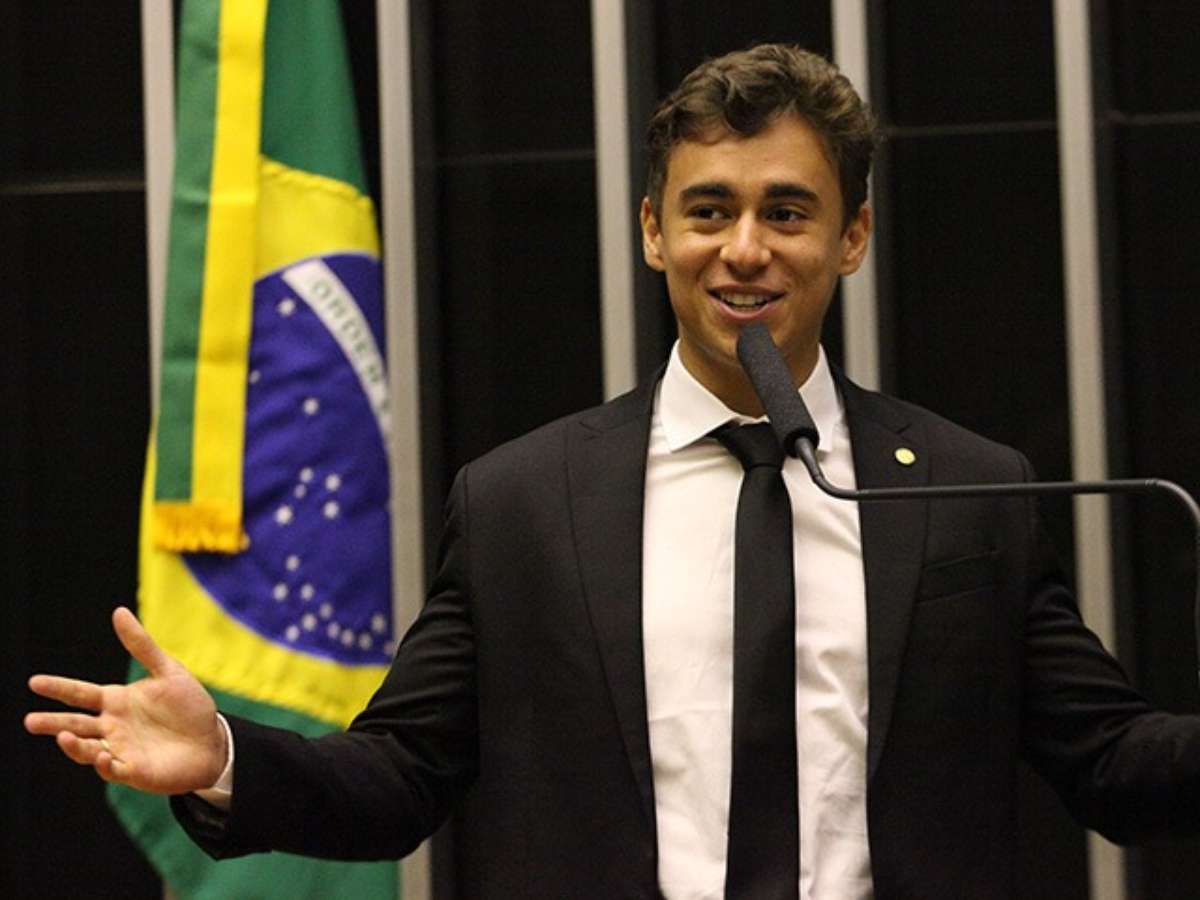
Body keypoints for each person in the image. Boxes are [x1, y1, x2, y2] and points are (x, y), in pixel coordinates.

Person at [25, 44, 1200, 900]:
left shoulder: (968, 491)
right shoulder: (525, 503)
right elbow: (401, 775)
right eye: (709, 211)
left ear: (852, 237)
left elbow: (1109, 763)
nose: (744, 249)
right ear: (653, 231)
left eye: (789, 212)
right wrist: (228, 758)